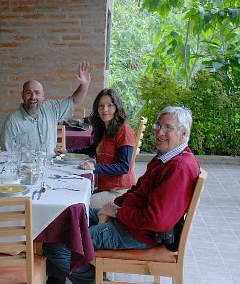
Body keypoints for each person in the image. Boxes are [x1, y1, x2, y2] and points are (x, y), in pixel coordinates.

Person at [44, 106, 200, 284]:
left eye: (167, 128)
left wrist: (117, 213)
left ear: (183, 132)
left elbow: (156, 221)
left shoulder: (179, 168)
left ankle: (91, 280)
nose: (159, 132)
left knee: (59, 245)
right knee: (61, 222)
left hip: (137, 233)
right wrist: (112, 207)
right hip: (129, 221)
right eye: (158, 126)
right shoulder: (166, 158)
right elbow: (136, 191)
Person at [59, 88, 136, 209]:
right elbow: (91, 150)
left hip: (119, 192)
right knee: (73, 193)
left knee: (77, 206)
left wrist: (94, 167)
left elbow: (124, 167)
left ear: (117, 107)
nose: (105, 110)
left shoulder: (123, 130)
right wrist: (68, 151)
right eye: (101, 106)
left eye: (110, 105)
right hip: (105, 188)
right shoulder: (104, 129)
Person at [0, 61, 91, 155]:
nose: (33, 97)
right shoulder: (12, 120)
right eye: (28, 93)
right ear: (22, 95)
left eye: (37, 93)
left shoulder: (52, 109)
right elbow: (6, 153)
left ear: (43, 96)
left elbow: (74, 101)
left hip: (51, 165)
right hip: (25, 167)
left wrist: (84, 85)